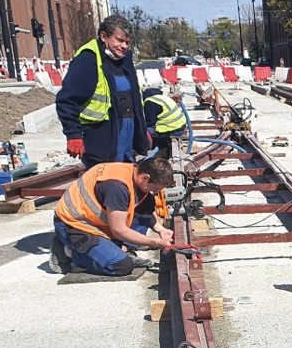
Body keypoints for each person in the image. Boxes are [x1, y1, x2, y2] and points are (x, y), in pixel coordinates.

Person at [48, 155, 175, 277]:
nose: (156, 192)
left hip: (94, 220)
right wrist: (156, 242)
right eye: (155, 189)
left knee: (143, 211)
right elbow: (119, 230)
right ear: (146, 178)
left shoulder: (133, 172)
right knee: (121, 265)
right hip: (73, 225)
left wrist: (161, 229)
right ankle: (66, 252)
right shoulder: (118, 188)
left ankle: (117, 247)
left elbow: (145, 207)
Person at [56, 15, 148, 168]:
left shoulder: (125, 61)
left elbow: (133, 101)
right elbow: (66, 100)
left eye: (127, 42)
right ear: (104, 36)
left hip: (127, 144)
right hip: (102, 144)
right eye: (119, 40)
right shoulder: (88, 60)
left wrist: (142, 129)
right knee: (110, 186)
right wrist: (73, 135)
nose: (124, 46)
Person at [142, 87, 188, 159]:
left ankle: (147, 148)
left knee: (144, 129)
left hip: (171, 130)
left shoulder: (149, 102)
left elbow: (149, 122)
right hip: (180, 127)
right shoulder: (162, 97)